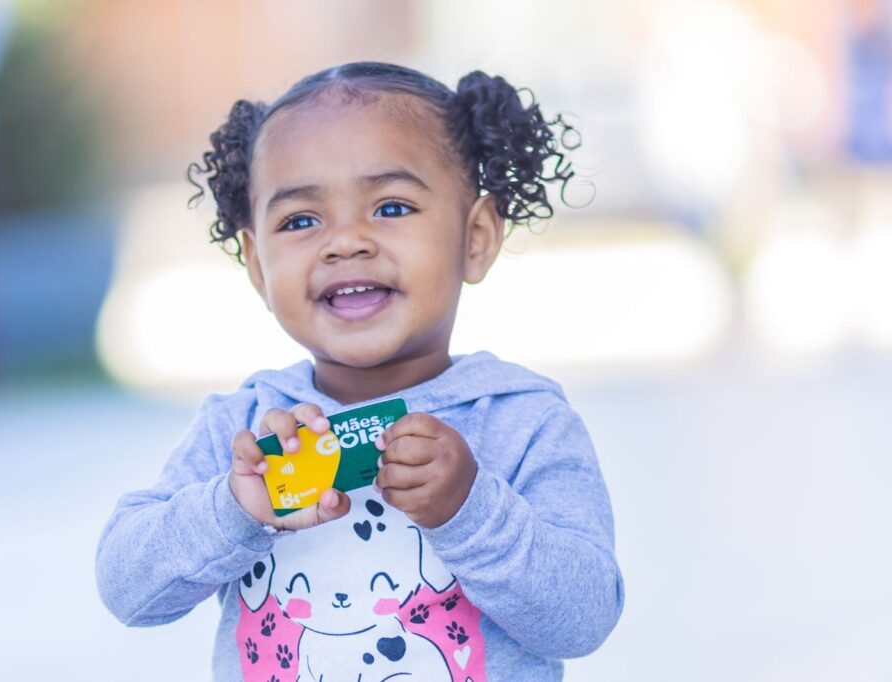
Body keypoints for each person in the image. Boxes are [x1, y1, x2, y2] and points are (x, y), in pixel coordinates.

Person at [96, 61, 624, 682]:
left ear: (475, 236)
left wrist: (471, 509)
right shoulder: (241, 428)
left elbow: (584, 618)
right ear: (258, 268)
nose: (345, 242)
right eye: (300, 221)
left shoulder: (522, 419)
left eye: (392, 207)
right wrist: (234, 507)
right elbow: (128, 591)